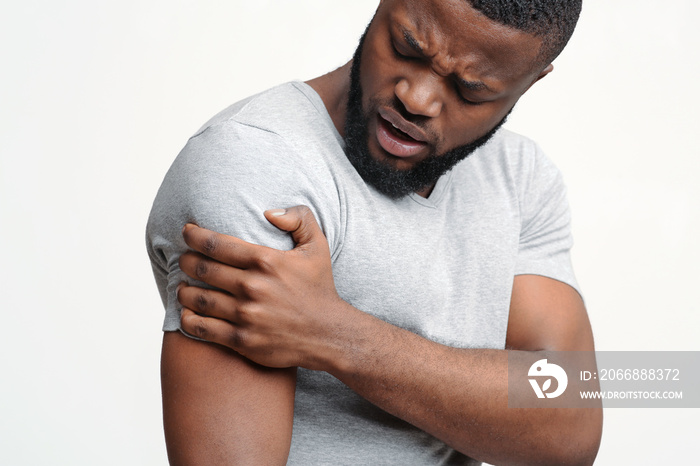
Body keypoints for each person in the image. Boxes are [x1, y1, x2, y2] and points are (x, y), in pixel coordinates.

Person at [146, 0, 602, 464]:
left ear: (533, 79)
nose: (416, 99)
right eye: (407, 47)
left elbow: (570, 429)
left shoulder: (520, 177)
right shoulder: (254, 164)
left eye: (471, 90)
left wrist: (334, 335)